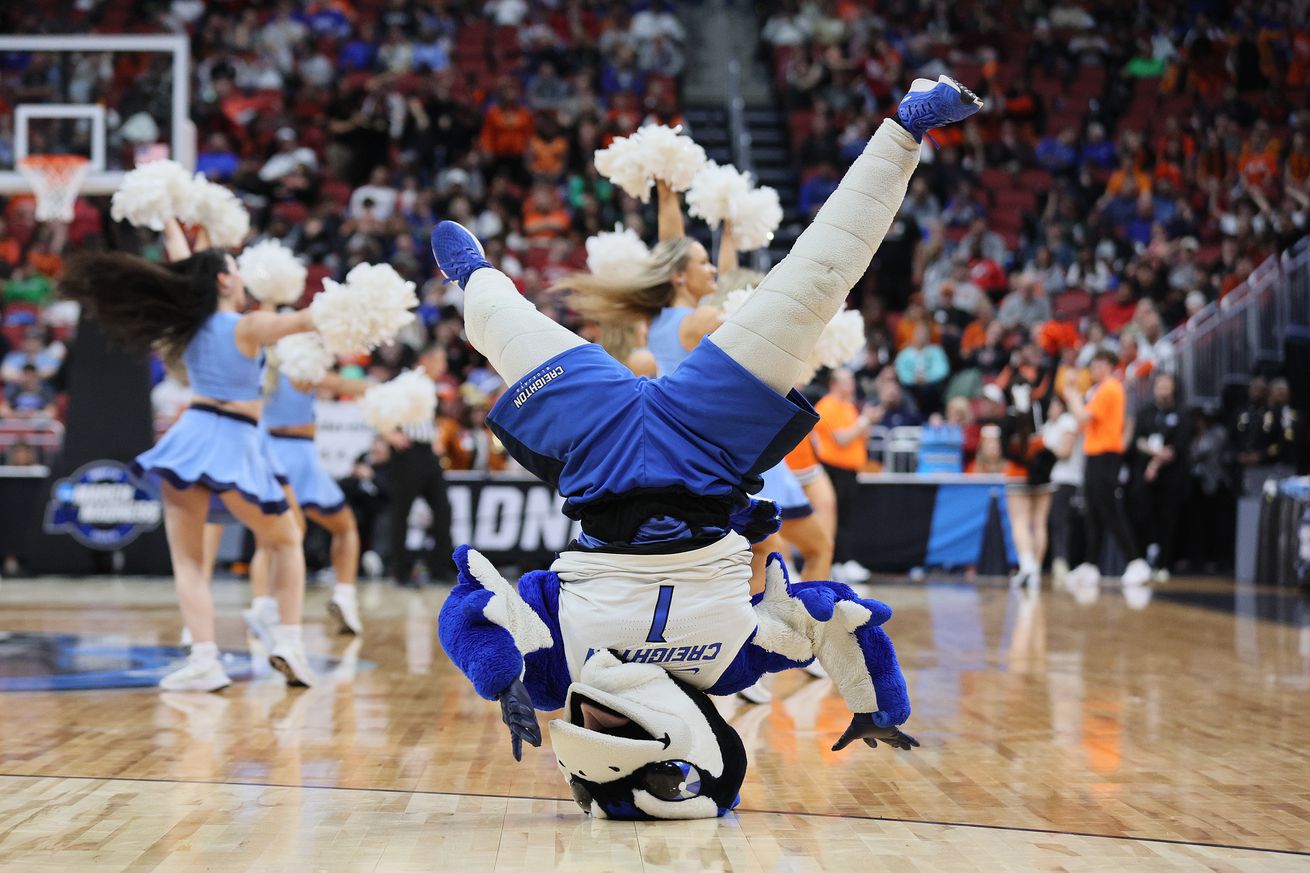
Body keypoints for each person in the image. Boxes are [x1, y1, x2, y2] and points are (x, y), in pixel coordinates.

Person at [434, 75, 982, 819]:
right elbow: (834, 612)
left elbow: (474, 607)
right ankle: (908, 127)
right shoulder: (729, 664)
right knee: (818, 282)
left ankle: (470, 275)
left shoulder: (558, 671)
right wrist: (876, 700)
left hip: (603, 446)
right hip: (706, 436)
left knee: (503, 324)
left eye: (591, 734)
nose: (594, 722)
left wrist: (502, 679)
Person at [61, 238, 318, 692]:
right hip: (235, 440)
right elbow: (306, 320)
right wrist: (358, 302)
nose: (242, 276)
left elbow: (185, 267)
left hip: (190, 438)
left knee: (189, 562)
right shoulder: (249, 323)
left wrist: (169, 217)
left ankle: (204, 659)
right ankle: (290, 644)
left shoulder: (190, 324)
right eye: (235, 268)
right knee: (286, 541)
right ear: (222, 280)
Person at [1062, 349, 1152, 587]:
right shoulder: (1100, 390)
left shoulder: (1110, 387)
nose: (1095, 368)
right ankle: (1091, 565)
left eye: (1101, 363)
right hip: (1094, 453)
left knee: (1109, 508)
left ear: (1111, 365)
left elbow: (1082, 417)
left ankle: (1136, 562)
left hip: (1106, 454)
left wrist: (1070, 392)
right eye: (1094, 363)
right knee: (1093, 510)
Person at [384, 344, 454, 587]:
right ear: (426, 359)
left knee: (443, 509)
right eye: (441, 361)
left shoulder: (428, 385)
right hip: (407, 453)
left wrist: (434, 439)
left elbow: (427, 418)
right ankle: (400, 572)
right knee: (401, 512)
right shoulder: (403, 382)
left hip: (427, 454)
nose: (443, 367)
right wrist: (390, 435)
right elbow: (379, 408)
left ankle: (440, 568)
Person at [1130, 373, 1190, 580]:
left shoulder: (1181, 413)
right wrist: (1152, 454)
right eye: (1160, 385)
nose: (1163, 389)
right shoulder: (1145, 412)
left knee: (1168, 520)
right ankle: (1143, 560)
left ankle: (1164, 564)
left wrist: (1157, 463)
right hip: (1145, 476)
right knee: (1142, 516)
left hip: (1171, 476)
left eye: (1167, 386)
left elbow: (1178, 447)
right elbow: (1137, 441)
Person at [1041, 395, 1083, 587]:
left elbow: (1065, 451)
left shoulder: (1068, 422)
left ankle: (1061, 561)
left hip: (1065, 480)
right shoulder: (1048, 426)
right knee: (1050, 522)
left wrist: (1042, 451)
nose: (1050, 408)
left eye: (1053, 404)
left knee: (1060, 522)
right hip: (1049, 481)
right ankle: (1051, 561)